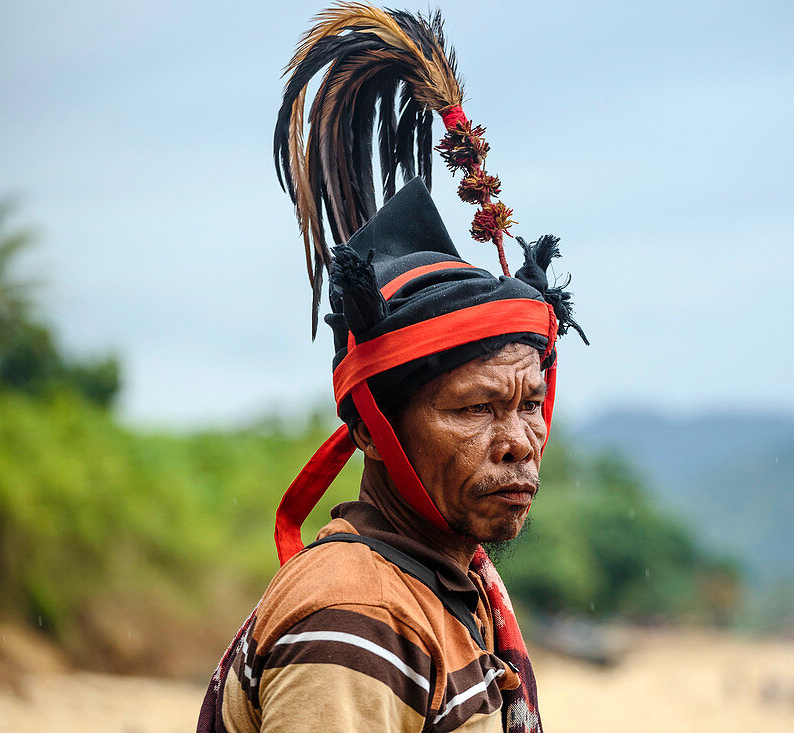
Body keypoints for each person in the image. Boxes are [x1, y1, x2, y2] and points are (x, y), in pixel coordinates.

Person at [197, 5, 585, 733]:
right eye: (473, 408)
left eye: (529, 402)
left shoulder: (444, 584)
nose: (519, 441)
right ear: (374, 430)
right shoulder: (355, 619)